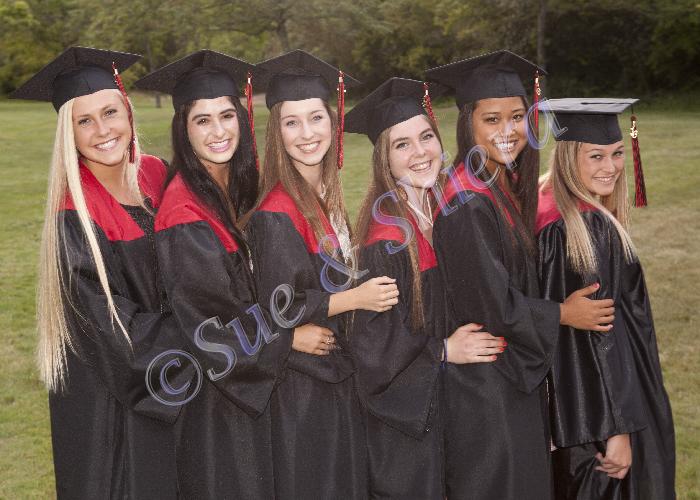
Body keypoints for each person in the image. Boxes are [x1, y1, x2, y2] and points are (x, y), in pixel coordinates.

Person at [426, 50, 617, 499]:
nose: (508, 131)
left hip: (501, 382)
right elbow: (492, 304)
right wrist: (563, 314)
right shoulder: (466, 201)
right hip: (487, 393)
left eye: (517, 117)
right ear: (468, 123)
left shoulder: (495, 184)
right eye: (491, 119)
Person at [13, 46, 189, 499]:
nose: (103, 130)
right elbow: (114, 332)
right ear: (68, 134)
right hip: (114, 401)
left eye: (110, 112)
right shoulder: (73, 215)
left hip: (176, 381)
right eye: (84, 121)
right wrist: (205, 335)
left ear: (128, 110)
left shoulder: (157, 173)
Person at [135, 50, 304, 499]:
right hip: (220, 404)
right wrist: (290, 338)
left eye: (226, 116)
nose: (218, 131)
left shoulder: (242, 184)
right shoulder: (184, 214)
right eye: (202, 120)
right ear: (183, 129)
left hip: (254, 395)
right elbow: (213, 330)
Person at [244, 50, 396, 499]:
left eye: (316, 118)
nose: (307, 133)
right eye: (291, 123)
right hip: (301, 394)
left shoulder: (321, 195)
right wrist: (355, 298)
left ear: (334, 121)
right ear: (276, 132)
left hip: (330, 380)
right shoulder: (277, 211)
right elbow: (280, 306)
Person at [345, 77, 506, 499]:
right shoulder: (384, 241)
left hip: (453, 412)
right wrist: (443, 350)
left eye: (426, 137)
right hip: (406, 435)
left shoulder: (445, 212)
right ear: (384, 160)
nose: (420, 153)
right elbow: (374, 350)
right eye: (402, 145)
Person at [536, 98, 675, 499]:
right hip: (600, 419)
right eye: (595, 156)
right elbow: (599, 337)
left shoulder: (548, 204)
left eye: (616, 153)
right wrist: (618, 429)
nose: (611, 167)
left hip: (574, 409)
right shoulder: (584, 227)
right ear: (567, 158)